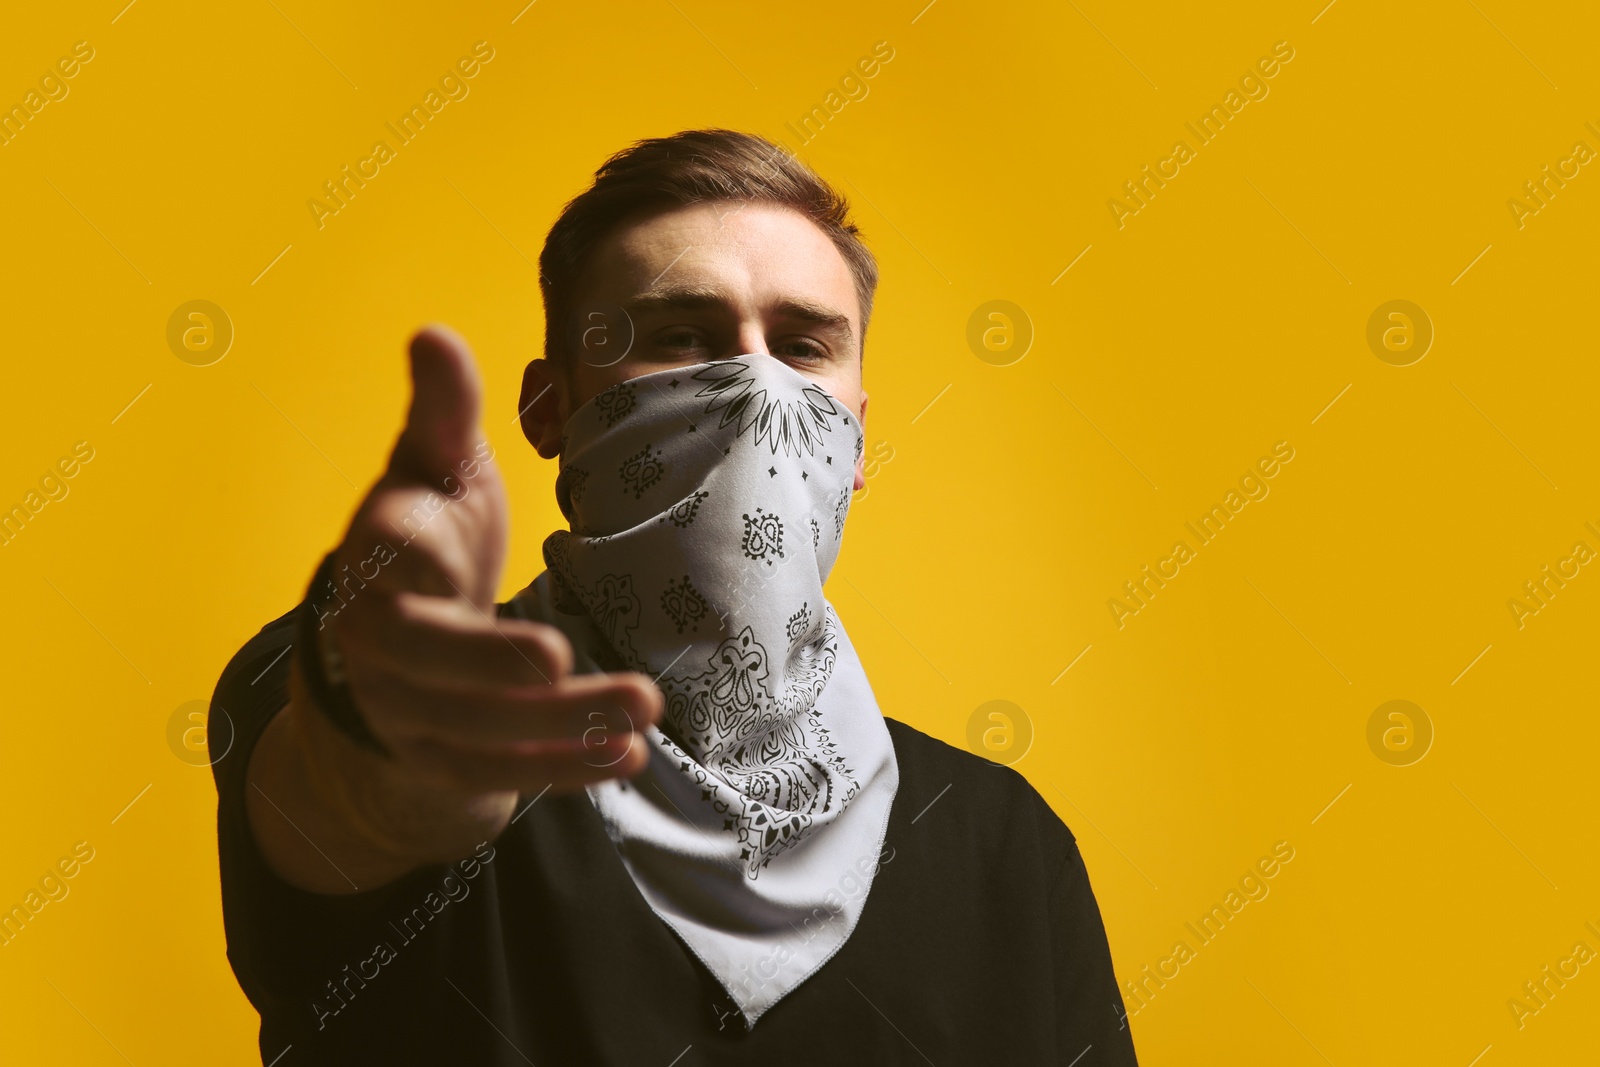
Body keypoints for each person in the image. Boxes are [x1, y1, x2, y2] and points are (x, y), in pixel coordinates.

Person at [210, 128, 1139, 1065]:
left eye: (802, 345)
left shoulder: (1002, 844)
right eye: (681, 337)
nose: (753, 387)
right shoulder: (354, 672)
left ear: (857, 442)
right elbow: (338, 795)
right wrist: (393, 752)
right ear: (551, 409)